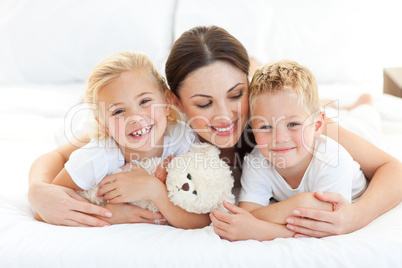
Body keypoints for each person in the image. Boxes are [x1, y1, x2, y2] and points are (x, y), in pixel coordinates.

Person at [29, 26, 402, 237]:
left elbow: (393, 169)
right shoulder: (164, 125)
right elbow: (61, 155)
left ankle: (361, 104)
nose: (225, 117)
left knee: (361, 122)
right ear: (174, 103)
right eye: (204, 104)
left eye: (236, 95)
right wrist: (38, 191)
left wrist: (356, 216)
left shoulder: (276, 120)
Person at [34, 51, 209, 229]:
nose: (136, 118)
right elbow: (46, 209)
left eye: (145, 101)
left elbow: (203, 220)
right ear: (103, 124)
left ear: (167, 102)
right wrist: (106, 216)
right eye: (119, 111)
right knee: (76, 131)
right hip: (90, 132)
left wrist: (155, 190)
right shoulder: (95, 158)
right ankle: (85, 104)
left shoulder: (184, 139)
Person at [210, 60, 369, 241]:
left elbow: (324, 225)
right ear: (252, 127)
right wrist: (301, 203)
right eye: (266, 127)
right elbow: (248, 215)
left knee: (364, 120)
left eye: (293, 124)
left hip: (361, 133)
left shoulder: (334, 160)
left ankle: (363, 106)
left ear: (317, 125)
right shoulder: (257, 161)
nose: (279, 138)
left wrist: (261, 230)